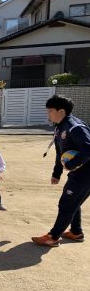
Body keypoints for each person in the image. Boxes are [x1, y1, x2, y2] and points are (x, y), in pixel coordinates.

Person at [32, 95, 90, 247]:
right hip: (79, 173)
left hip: (85, 174)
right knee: (73, 202)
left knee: (67, 203)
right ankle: (76, 232)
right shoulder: (60, 127)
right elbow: (60, 153)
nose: (48, 114)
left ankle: (53, 236)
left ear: (61, 111)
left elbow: (89, 149)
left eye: (50, 111)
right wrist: (56, 173)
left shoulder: (75, 127)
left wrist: (72, 164)